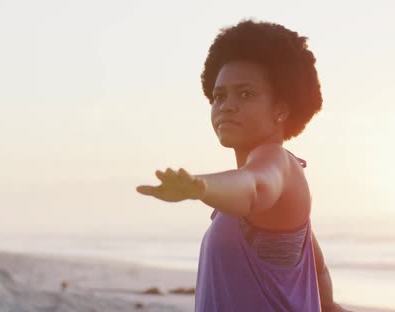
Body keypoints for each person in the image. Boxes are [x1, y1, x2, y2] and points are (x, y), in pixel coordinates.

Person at [137, 19, 350, 312]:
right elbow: (319, 279)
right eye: (218, 96)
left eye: (245, 93)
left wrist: (201, 188)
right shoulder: (255, 200)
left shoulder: (279, 164)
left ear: (281, 109)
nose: (226, 105)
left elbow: (255, 186)